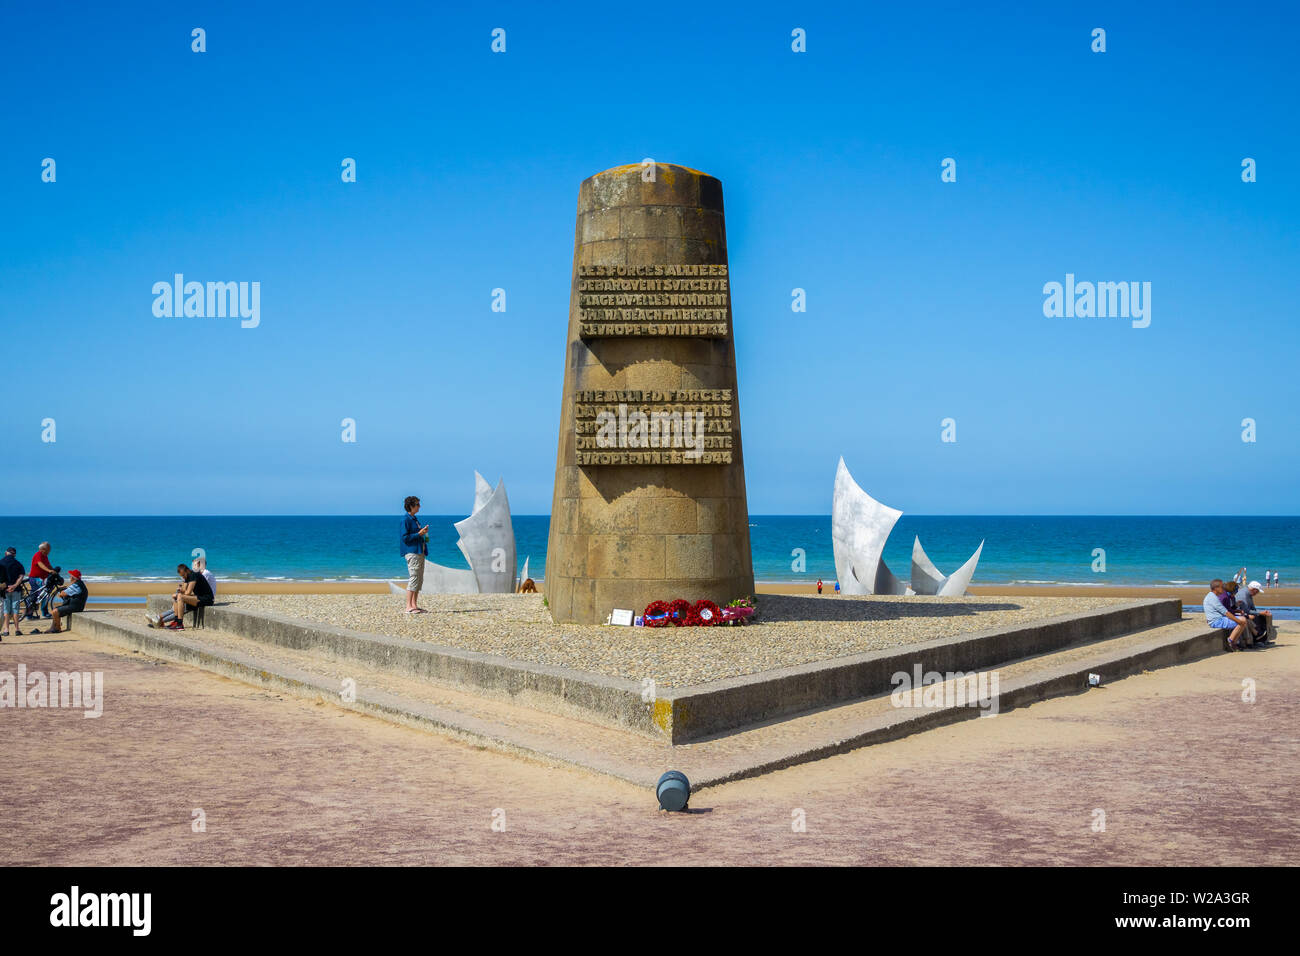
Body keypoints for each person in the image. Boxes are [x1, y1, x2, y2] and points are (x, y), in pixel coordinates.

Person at [146, 563, 214, 629]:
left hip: (207, 599)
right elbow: (184, 590)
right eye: (182, 576)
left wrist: (179, 594)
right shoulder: (187, 576)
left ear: (187, 570)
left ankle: (179, 624)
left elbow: (188, 593)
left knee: (180, 597)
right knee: (178, 597)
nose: (183, 577)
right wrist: (179, 591)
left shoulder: (194, 575)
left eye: (183, 575)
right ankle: (166, 621)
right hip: (198, 597)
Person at [400, 495, 430, 614]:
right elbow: (404, 538)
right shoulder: (405, 520)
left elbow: (417, 534)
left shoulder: (414, 519)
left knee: (419, 579)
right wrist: (419, 534)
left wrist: (422, 533)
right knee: (414, 577)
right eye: (417, 504)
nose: (419, 506)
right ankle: (408, 606)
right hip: (412, 552)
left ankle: (414, 605)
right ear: (411, 506)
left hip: (419, 550)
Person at [1203, 579, 1249, 651]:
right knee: (1242, 620)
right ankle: (1230, 642)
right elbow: (1226, 612)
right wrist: (1238, 621)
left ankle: (1233, 642)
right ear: (1216, 588)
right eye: (1222, 587)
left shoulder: (1212, 596)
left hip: (1218, 619)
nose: (1224, 588)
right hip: (1216, 621)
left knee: (1243, 620)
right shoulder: (1213, 598)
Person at [41, 569, 89, 634]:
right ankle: (53, 628)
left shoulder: (76, 585)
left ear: (72, 578)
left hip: (76, 607)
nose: (70, 578)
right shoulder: (79, 584)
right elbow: (70, 591)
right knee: (55, 610)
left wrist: (63, 591)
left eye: (70, 576)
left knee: (55, 611)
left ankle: (57, 629)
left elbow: (62, 594)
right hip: (76, 605)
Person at [1238, 580, 1275, 645]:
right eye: (1257, 591)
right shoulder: (1244, 595)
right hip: (1241, 613)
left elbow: (1252, 608)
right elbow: (1246, 610)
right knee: (1258, 618)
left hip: (1246, 612)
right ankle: (1257, 639)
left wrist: (1260, 613)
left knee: (1265, 617)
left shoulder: (1249, 593)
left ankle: (1263, 638)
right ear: (1254, 589)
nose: (1257, 593)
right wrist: (1260, 613)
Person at [1, 547, 26, 639]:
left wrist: (6, 586)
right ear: (14, 554)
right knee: (15, 609)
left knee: (6, 609)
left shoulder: (1, 562)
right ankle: (17, 629)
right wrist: (15, 585)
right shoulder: (17, 563)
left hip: (4, 589)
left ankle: (6, 629)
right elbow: (21, 575)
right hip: (16, 589)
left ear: (6, 553)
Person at [27, 542, 54, 619]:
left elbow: (48, 565)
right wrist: (49, 571)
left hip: (41, 578)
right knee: (41, 595)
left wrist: (53, 570)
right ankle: (40, 613)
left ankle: (32, 613)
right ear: (43, 549)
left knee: (41, 595)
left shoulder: (45, 556)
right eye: (48, 550)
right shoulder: (38, 555)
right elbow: (40, 564)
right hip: (35, 578)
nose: (49, 551)